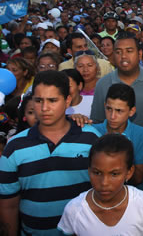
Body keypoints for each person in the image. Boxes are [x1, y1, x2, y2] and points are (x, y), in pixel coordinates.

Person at [0, 70, 101, 236]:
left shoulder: (91, 139)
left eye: (53, 100)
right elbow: (8, 205)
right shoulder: (15, 147)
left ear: (67, 100)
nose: (45, 108)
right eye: (39, 100)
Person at [57, 134, 143, 235]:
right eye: (97, 173)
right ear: (89, 170)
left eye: (114, 174)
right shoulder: (75, 210)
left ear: (129, 172)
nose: (104, 183)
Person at [91, 32, 143, 145]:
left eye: (129, 51)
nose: (123, 56)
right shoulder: (103, 84)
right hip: (115, 151)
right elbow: (97, 122)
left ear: (139, 54)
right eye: (118, 52)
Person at [93, 84, 143, 189]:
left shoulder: (141, 134)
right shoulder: (92, 131)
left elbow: (138, 178)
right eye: (109, 109)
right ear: (104, 105)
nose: (112, 116)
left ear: (131, 111)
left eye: (119, 111)